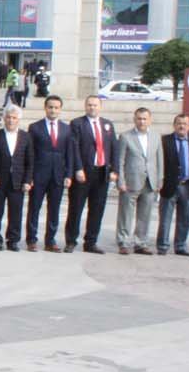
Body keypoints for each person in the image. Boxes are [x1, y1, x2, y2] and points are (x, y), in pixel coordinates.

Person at [64, 95, 117, 254]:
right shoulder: (77, 123)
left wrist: (115, 170)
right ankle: (71, 241)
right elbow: (74, 148)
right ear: (85, 106)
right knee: (76, 208)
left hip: (102, 173)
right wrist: (78, 168)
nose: (92, 108)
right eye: (89, 105)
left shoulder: (107, 125)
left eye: (95, 105)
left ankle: (91, 242)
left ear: (100, 107)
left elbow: (114, 147)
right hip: (83, 173)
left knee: (97, 209)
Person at [24, 95, 72, 252]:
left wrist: (68, 175)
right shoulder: (35, 127)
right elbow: (30, 154)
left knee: (54, 209)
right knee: (34, 207)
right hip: (39, 175)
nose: (53, 110)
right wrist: (29, 176)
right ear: (45, 108)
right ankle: (31, 239)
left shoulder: (66, 129)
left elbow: (69, 154)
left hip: (57, 175)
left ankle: (50, 240)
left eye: (56, 107)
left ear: (60, 109)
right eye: (50, 107)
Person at [114, 107, 160, 256]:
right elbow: (119, 161)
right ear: (134, 119)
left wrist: (160, 179)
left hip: (150, 181)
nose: (142, 121)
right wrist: (120, 180)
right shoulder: (125, 136)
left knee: (145, 214)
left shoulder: (156, 137)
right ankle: (124, 242)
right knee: (126, 213)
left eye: (145, 118)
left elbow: (159, 160)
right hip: (130, 181)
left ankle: (141, 243)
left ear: (150, 120)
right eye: (139, 118)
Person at [0, 104, 29, 252]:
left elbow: (30, 161)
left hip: (17, 181)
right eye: (8, 117)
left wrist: (27, 180)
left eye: (14, 118)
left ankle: (13, 240)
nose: (11, 120)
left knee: (16, 212)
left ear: (18, 120)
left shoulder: (26, 137)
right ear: (4, 119)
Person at [158, 114, 189, 256]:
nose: (182, 126)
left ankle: (180, 246)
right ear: (174, 125)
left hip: (187, 185)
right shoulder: (165, 141)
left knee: (185, 219)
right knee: (165, 218)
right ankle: (162, 246)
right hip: (169, 185)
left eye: (185, 124)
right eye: (179, 123)